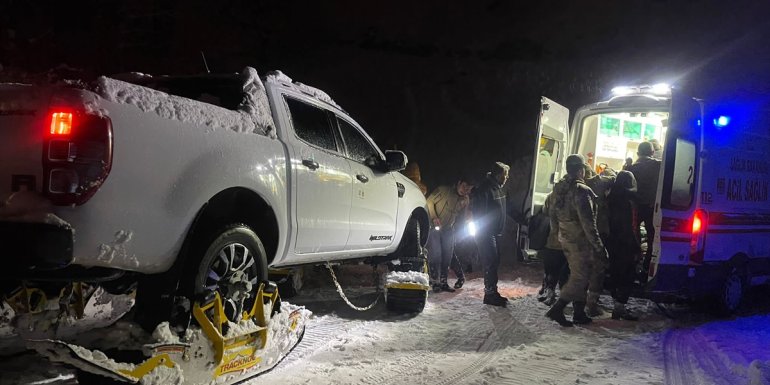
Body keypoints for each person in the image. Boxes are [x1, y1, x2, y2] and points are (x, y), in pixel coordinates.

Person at [545, 154, 608, 327]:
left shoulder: (559, 188)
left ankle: (579, 312)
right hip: (579, 240)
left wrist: (557, 233)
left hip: (564, 237)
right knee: (580, 276)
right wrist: (599, 246)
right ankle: (558, 309)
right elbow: (589, 223)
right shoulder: (581, 191)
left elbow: (552, 214)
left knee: (579, 273)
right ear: (581, 170)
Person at [470, 161, 510, 306]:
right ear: (499, 175)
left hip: (494, 233)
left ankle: (492, 291)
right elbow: (479, 213)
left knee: (494, 261)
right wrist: (482, 233)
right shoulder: (485, 189)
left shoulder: (498, 188)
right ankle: (490, 294)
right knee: (490, 262)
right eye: (506, 175)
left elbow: (507, 208)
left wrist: (523, 218)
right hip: (486, 233)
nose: (507, 178)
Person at [426, 177, 474, 292]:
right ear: (458, 183)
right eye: (464, 186)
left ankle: (443, 282)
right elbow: (429, 201)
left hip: (449, 229)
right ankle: (435, 281)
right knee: (436, 254)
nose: (465, 190)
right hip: (434, 227)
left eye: (468, 189)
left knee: (448, 256)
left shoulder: (465, 199)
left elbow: (465, 214)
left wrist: (469, 221)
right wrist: (434, 217)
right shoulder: (443, 191)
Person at [606, 170, 641, 320]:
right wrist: (636, 246)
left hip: (612, 242)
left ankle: (617, 304)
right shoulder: (628, 200)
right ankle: (620, 306)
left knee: (615, 273)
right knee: (628, 274)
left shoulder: (610, 197)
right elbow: (629, 226)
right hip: (625, 243)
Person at [584, 164, 615, 317]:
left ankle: (580, 301)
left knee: (582, 269)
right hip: (597, 234)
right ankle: (591, 304)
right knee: (598, 269)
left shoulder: (576, 187)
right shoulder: (594, 185)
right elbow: (611, 178)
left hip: (581, 236)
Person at [627, 141, 661, 278]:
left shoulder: (631, 168)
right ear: (653, 152)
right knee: (652, 238)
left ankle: (633, 264)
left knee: (633, 236)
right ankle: (647, 268)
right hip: (652, 207)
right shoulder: (659, 166)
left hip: (635, 208)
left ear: (638, 153)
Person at [536, 192, 569, 306]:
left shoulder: (552, 195)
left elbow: (545, 211)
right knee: (565, 272)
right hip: (568, 242)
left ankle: (549, 292)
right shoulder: (579, 194)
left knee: (551, 270)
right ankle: (563, 299)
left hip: (552, 240)